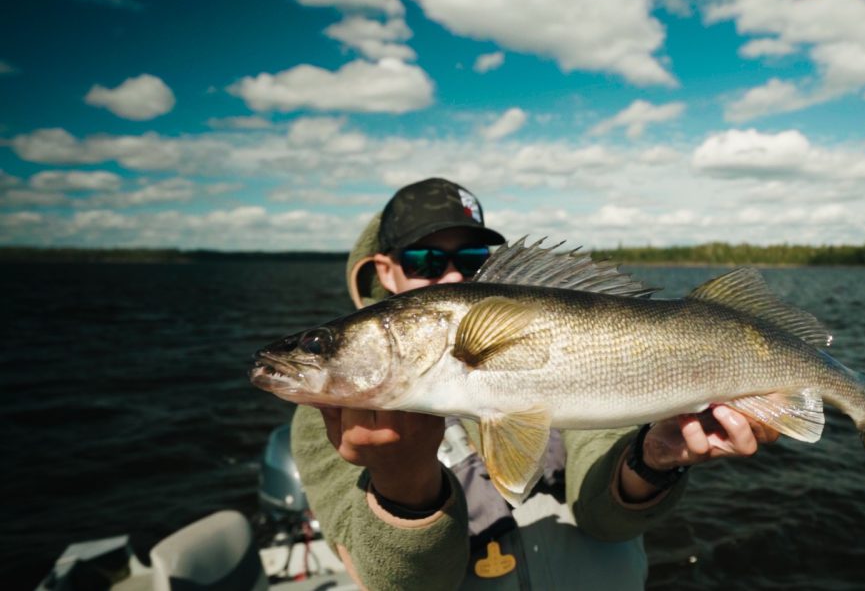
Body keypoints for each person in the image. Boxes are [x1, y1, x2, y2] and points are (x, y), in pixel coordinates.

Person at [290, 177, 778, 590]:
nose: (454, 275)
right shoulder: (327, 418)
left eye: (475, 257)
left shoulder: (552, 345)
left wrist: (653, 459)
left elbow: (606, 520)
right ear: (385, 271)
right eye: (425, 261)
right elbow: (400, 583)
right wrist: (400, 482)